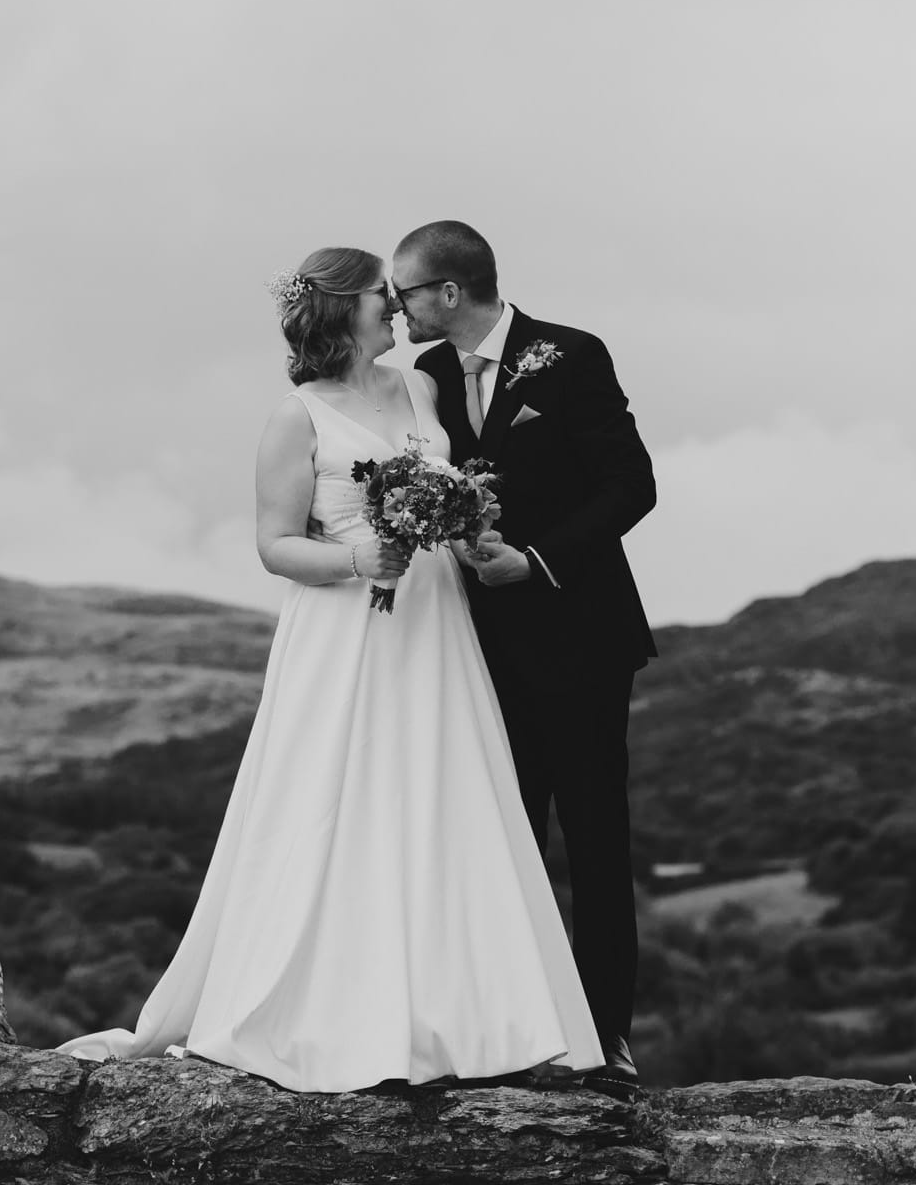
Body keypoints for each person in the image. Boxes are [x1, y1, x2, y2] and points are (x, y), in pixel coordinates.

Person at [57, 245, 602, 1093]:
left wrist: (467, 531)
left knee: (441, 792)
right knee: (336, 797)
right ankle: (336, 1011)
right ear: (343, 310)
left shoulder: (421, 389)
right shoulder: (297, 417)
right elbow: (274, 544)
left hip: (433, 620)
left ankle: (471, 1016)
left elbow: (457, 494)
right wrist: (358, 560)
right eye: (381, 294)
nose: (396, 306)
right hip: (345, 626)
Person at [393, 221, 656, 1092]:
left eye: (405, 292)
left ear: (450, 292)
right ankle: (514, 1033)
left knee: (593, 838)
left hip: (581, 637)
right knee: (500, 842)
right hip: (475, 649)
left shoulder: (571, 355)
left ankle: (605, 1037)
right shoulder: (424, 377)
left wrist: (536, 561)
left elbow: (631, 486)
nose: (396, 308)